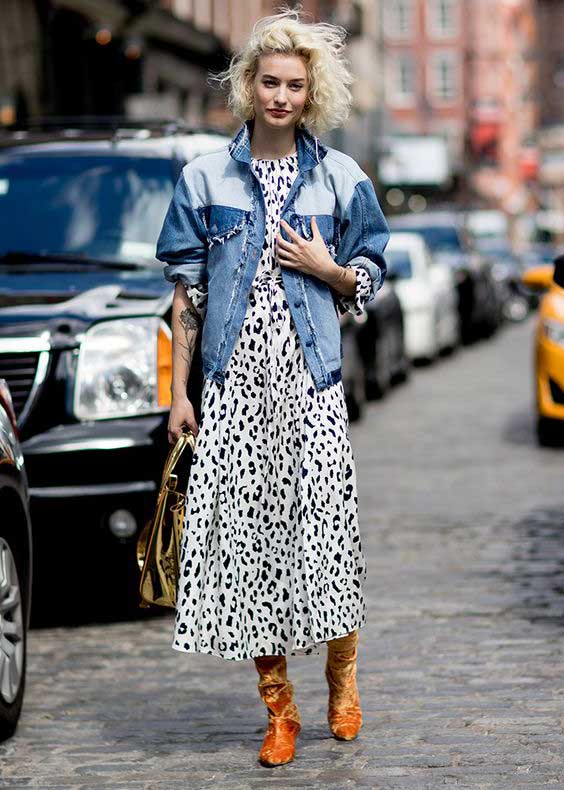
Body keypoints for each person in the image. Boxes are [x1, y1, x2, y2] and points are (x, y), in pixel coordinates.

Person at [155, 6, 390, 768]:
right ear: (248, 85)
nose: (281, 96)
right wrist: (179, 394)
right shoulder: (205, 178)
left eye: (295, 84)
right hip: (234, 391)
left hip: (311, 383)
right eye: (269, 81)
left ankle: (343, 679)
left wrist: (329, 271)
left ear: (311, 92)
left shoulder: (341, 177)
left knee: (329, 540)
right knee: (253, 553)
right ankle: (279, 711)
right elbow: (185, 296)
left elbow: (373, 271)